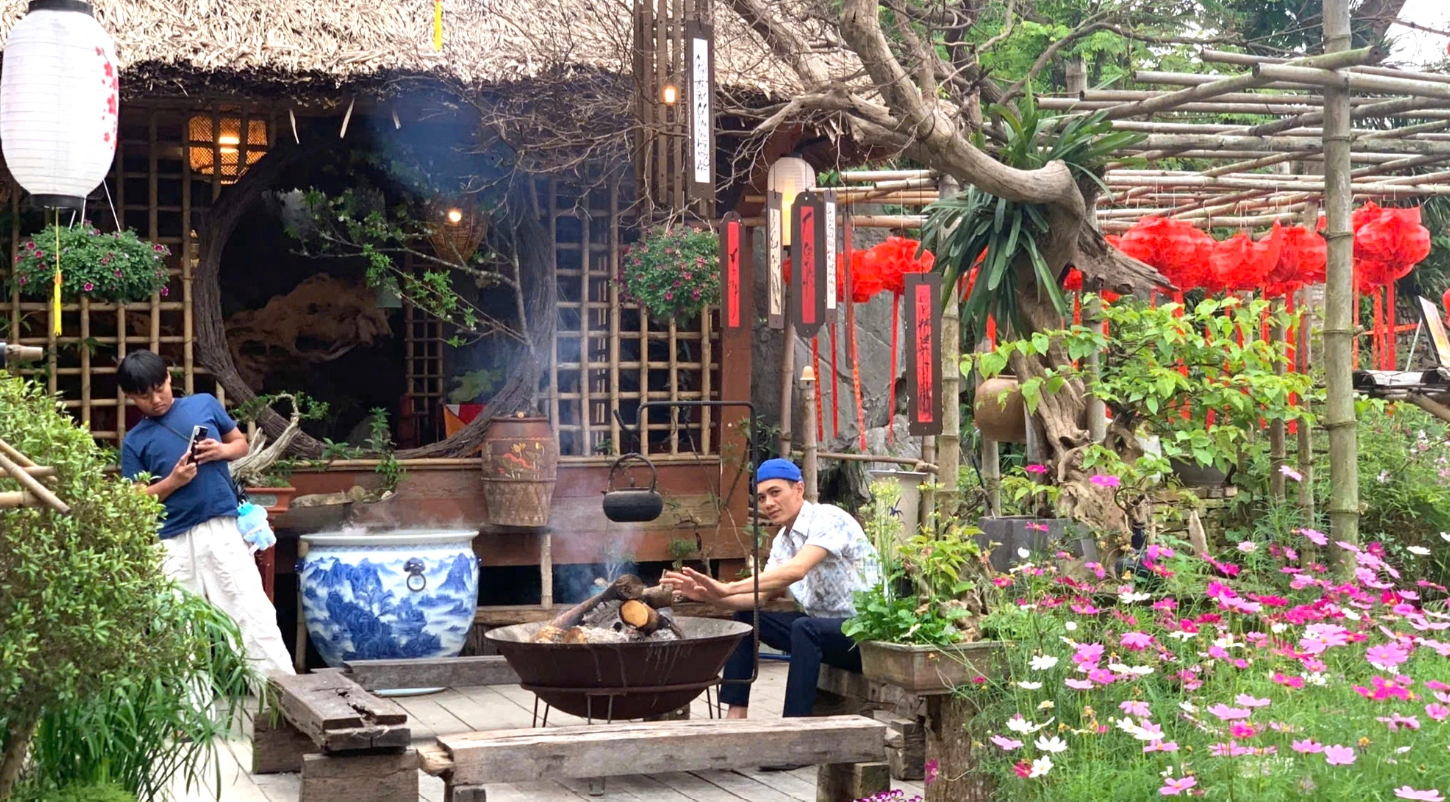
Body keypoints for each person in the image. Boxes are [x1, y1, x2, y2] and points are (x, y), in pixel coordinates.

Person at [118, 350, 294, 677]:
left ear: (170, 378)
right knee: (177, 630)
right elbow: (134, 499)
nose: (156, 400)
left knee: (251, 612)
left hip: (221, 527)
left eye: (161, 388)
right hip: (169, 542)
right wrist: (173, 482)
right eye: (144, 396)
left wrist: (221, 451)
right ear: (130, 398)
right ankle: (190, 720)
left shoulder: (203, 404)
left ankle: (282, 701)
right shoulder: (134, 442)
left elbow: (239, 443)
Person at [663, 458, 879, 721]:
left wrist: (727, 587)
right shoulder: (783, 541)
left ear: (799, 489)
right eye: (762, 497)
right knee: (747, 619)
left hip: (864, 635)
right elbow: (759, 596)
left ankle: (792, 726)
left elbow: (796, 570)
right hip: (824, 630)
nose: (768, 504)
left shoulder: (828, 518)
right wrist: (709, 595)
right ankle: (736, 716)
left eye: (775, 493)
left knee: (805, 628)